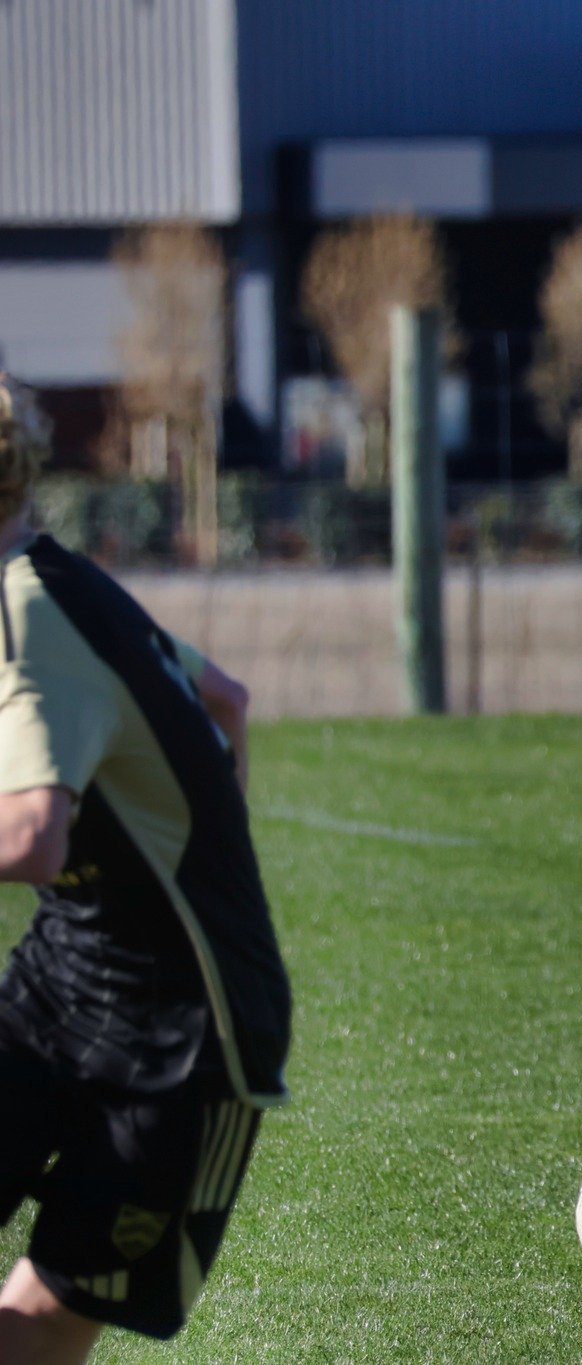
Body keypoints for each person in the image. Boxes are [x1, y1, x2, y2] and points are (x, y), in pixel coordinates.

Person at [0, 376, 291, 1363]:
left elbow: (34, 835)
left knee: (40, 1327)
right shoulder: (58, 575)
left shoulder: (24, 622)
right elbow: (226, 701)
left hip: (183, 1033)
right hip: (71, 977)